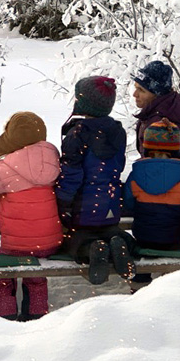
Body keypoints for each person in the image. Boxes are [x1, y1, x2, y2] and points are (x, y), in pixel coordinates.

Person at [0, 112, 63, 321]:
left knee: (3, 276)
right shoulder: (53, 162)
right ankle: (37, 314)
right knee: (36, 276)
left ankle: (6, 316)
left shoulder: (5, 168)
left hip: (15, 246)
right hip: (49, 242)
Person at [55, 76, 135, 285]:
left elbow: (71, 175)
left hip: (83, 206)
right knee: (108, 230)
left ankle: (91, 250)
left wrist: (62, 201)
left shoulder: (78, 134)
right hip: (110, 203)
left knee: (75, 240)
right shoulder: (117, 131)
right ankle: (119, 243)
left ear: (81, 102)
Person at [123, 119, 180, 290]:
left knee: (141, 255)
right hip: (174, 238)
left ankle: (139, 286)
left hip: (144, 237)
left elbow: (128, 204)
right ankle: (170, 288)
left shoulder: (135, 175)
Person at [133, 60, 180, 158]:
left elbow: (159, 167)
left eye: (141, 90)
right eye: (136, 88)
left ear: (157, 94)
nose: (135, 94)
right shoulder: (165, 108)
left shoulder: (162, 122)